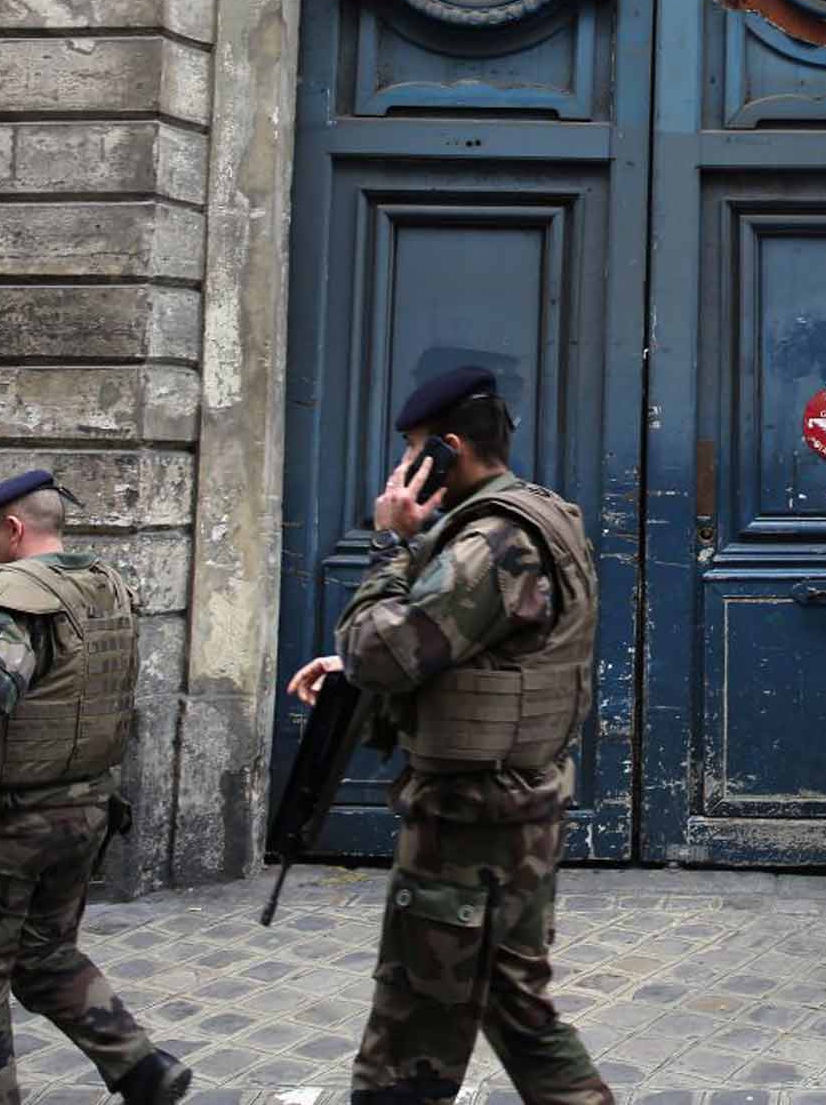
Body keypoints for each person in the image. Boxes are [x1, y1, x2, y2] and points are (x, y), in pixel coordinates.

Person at [287, 366, 612, 1105]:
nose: (399, 471)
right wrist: (355, 663)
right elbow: (480, 641)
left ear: (448, 450)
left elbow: (387, 651)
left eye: (411, 451)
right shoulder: (537, 513)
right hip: (511, 808)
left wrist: (390, 546)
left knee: (409, 1036)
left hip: (471, 821)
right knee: (515, 1007)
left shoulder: (489, 540)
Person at [0, 469, 190, 1105]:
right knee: (44, 956)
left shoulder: (12, 594)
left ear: (15, 529)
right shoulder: (101, 584)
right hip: (84, 809)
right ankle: (144, 1071)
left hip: (7, 825)